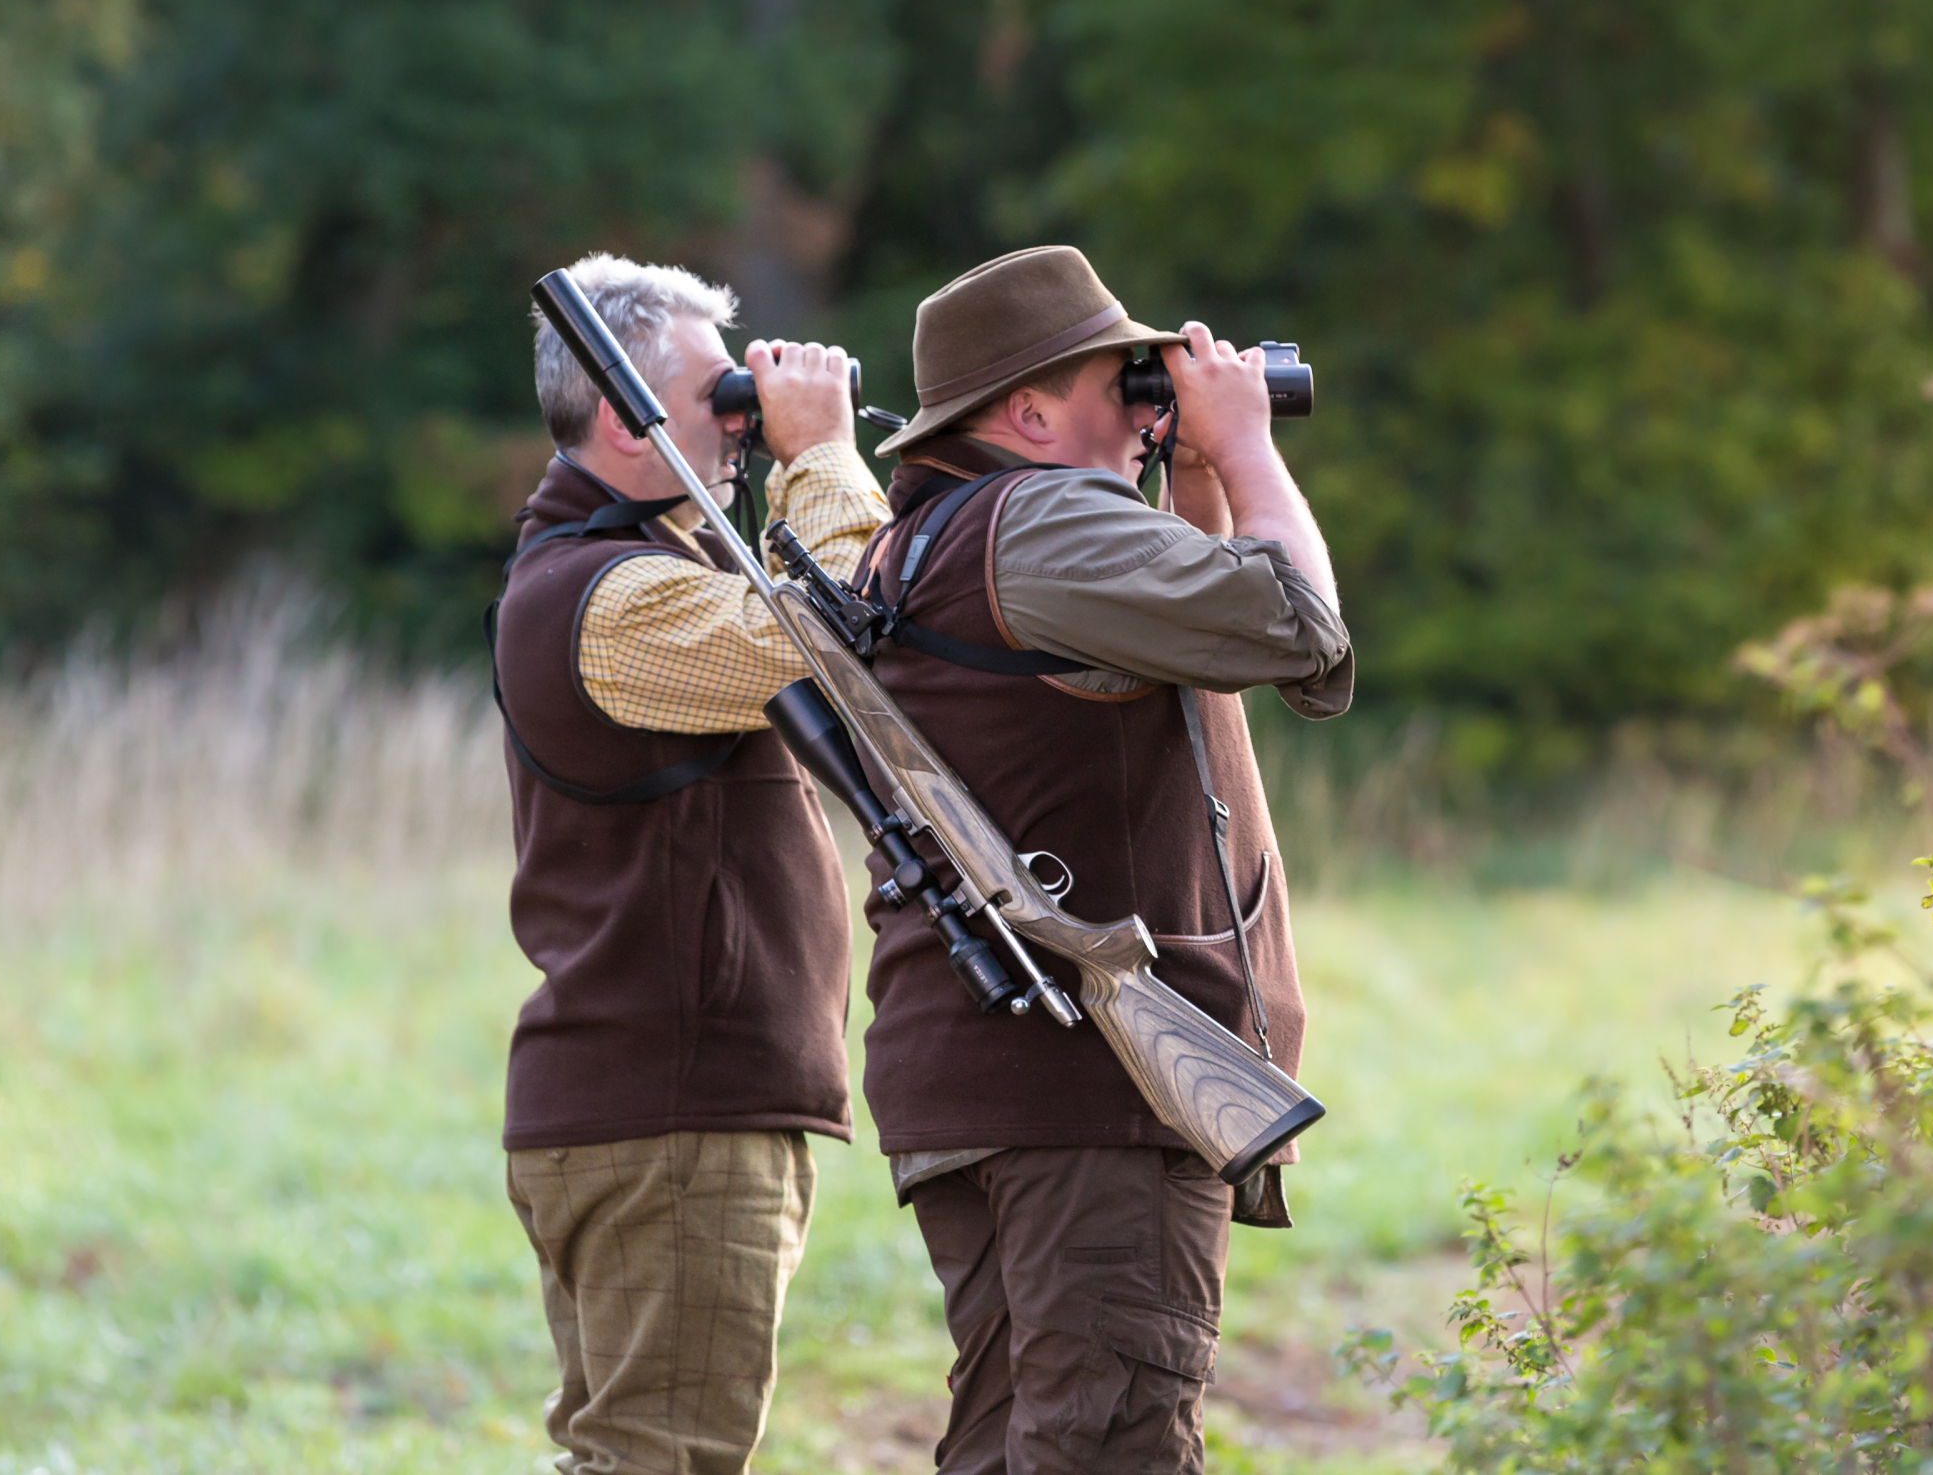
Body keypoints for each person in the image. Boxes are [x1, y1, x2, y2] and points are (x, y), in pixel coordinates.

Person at [851, 244, 1352, 1474]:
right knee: (1110, 1448)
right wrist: (1245, 446)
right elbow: (1298, 627)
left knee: (1017, 1442)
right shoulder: (1043, 519)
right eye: (1115, 377)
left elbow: (1188, 628)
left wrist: (1189, 476)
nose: (1146, 396)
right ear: (1025, 413)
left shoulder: (933, 539)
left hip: (992, 1080)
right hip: (1093, 1093)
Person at [493, 253, 890, 1474]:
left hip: (653, 1104)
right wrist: (818, 453)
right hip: (673, 1111)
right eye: (723, 396)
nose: (745, 417)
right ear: (625, 416)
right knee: (664, 1462)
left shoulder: (640, 567)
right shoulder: (611, 598)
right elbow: (844, 638)